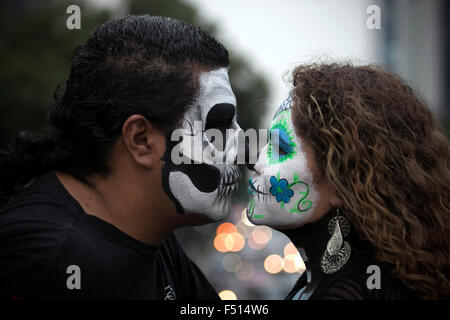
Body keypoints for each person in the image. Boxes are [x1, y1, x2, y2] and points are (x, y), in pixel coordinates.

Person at [0, 15, 241, 299]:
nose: (241, 145)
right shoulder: (48, 263)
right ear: (140, 140)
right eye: (220, 125)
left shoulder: (152, 237)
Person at [246, 63, 450, 299]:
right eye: (267, 144)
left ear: (343, 183)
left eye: (280, 148)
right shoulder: (339, 277)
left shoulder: (348, 291)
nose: (257, 162)